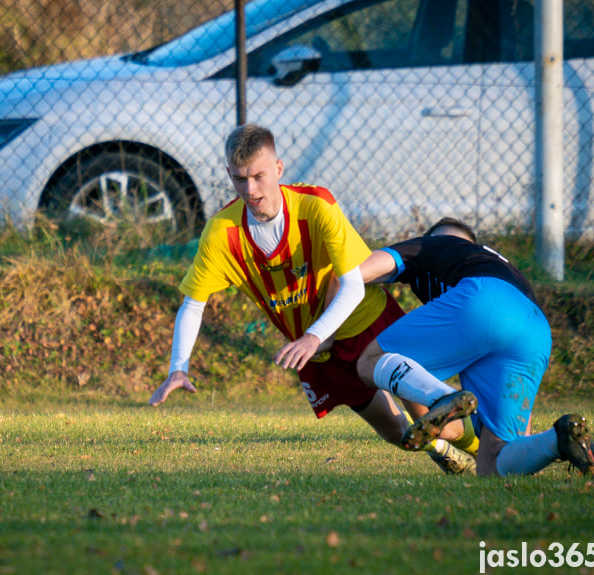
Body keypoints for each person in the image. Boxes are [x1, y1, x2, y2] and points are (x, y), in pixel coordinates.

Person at [148, 124, 478, 474]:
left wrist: (313, 334)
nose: (251, 189)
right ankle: (443, 449)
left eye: (259, 176)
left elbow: (352, 284)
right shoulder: (221, 234)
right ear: (229, 174)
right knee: (398, 433)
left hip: (368, 323)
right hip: (319, 352)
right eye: (240, 179)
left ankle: (492, 451)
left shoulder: (316, 205)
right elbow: (193, 304)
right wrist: (178, 368)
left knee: (440, 421)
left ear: (279, 168)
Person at [353, 216, 594, 477]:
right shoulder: (491, 260)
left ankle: (440, 397)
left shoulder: (427, 247)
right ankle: (559, 439)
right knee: (492, 462)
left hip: (483, 302)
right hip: (535, 328)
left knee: (370, 361)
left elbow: (354, 273)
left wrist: (321, 327)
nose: (450, 244)